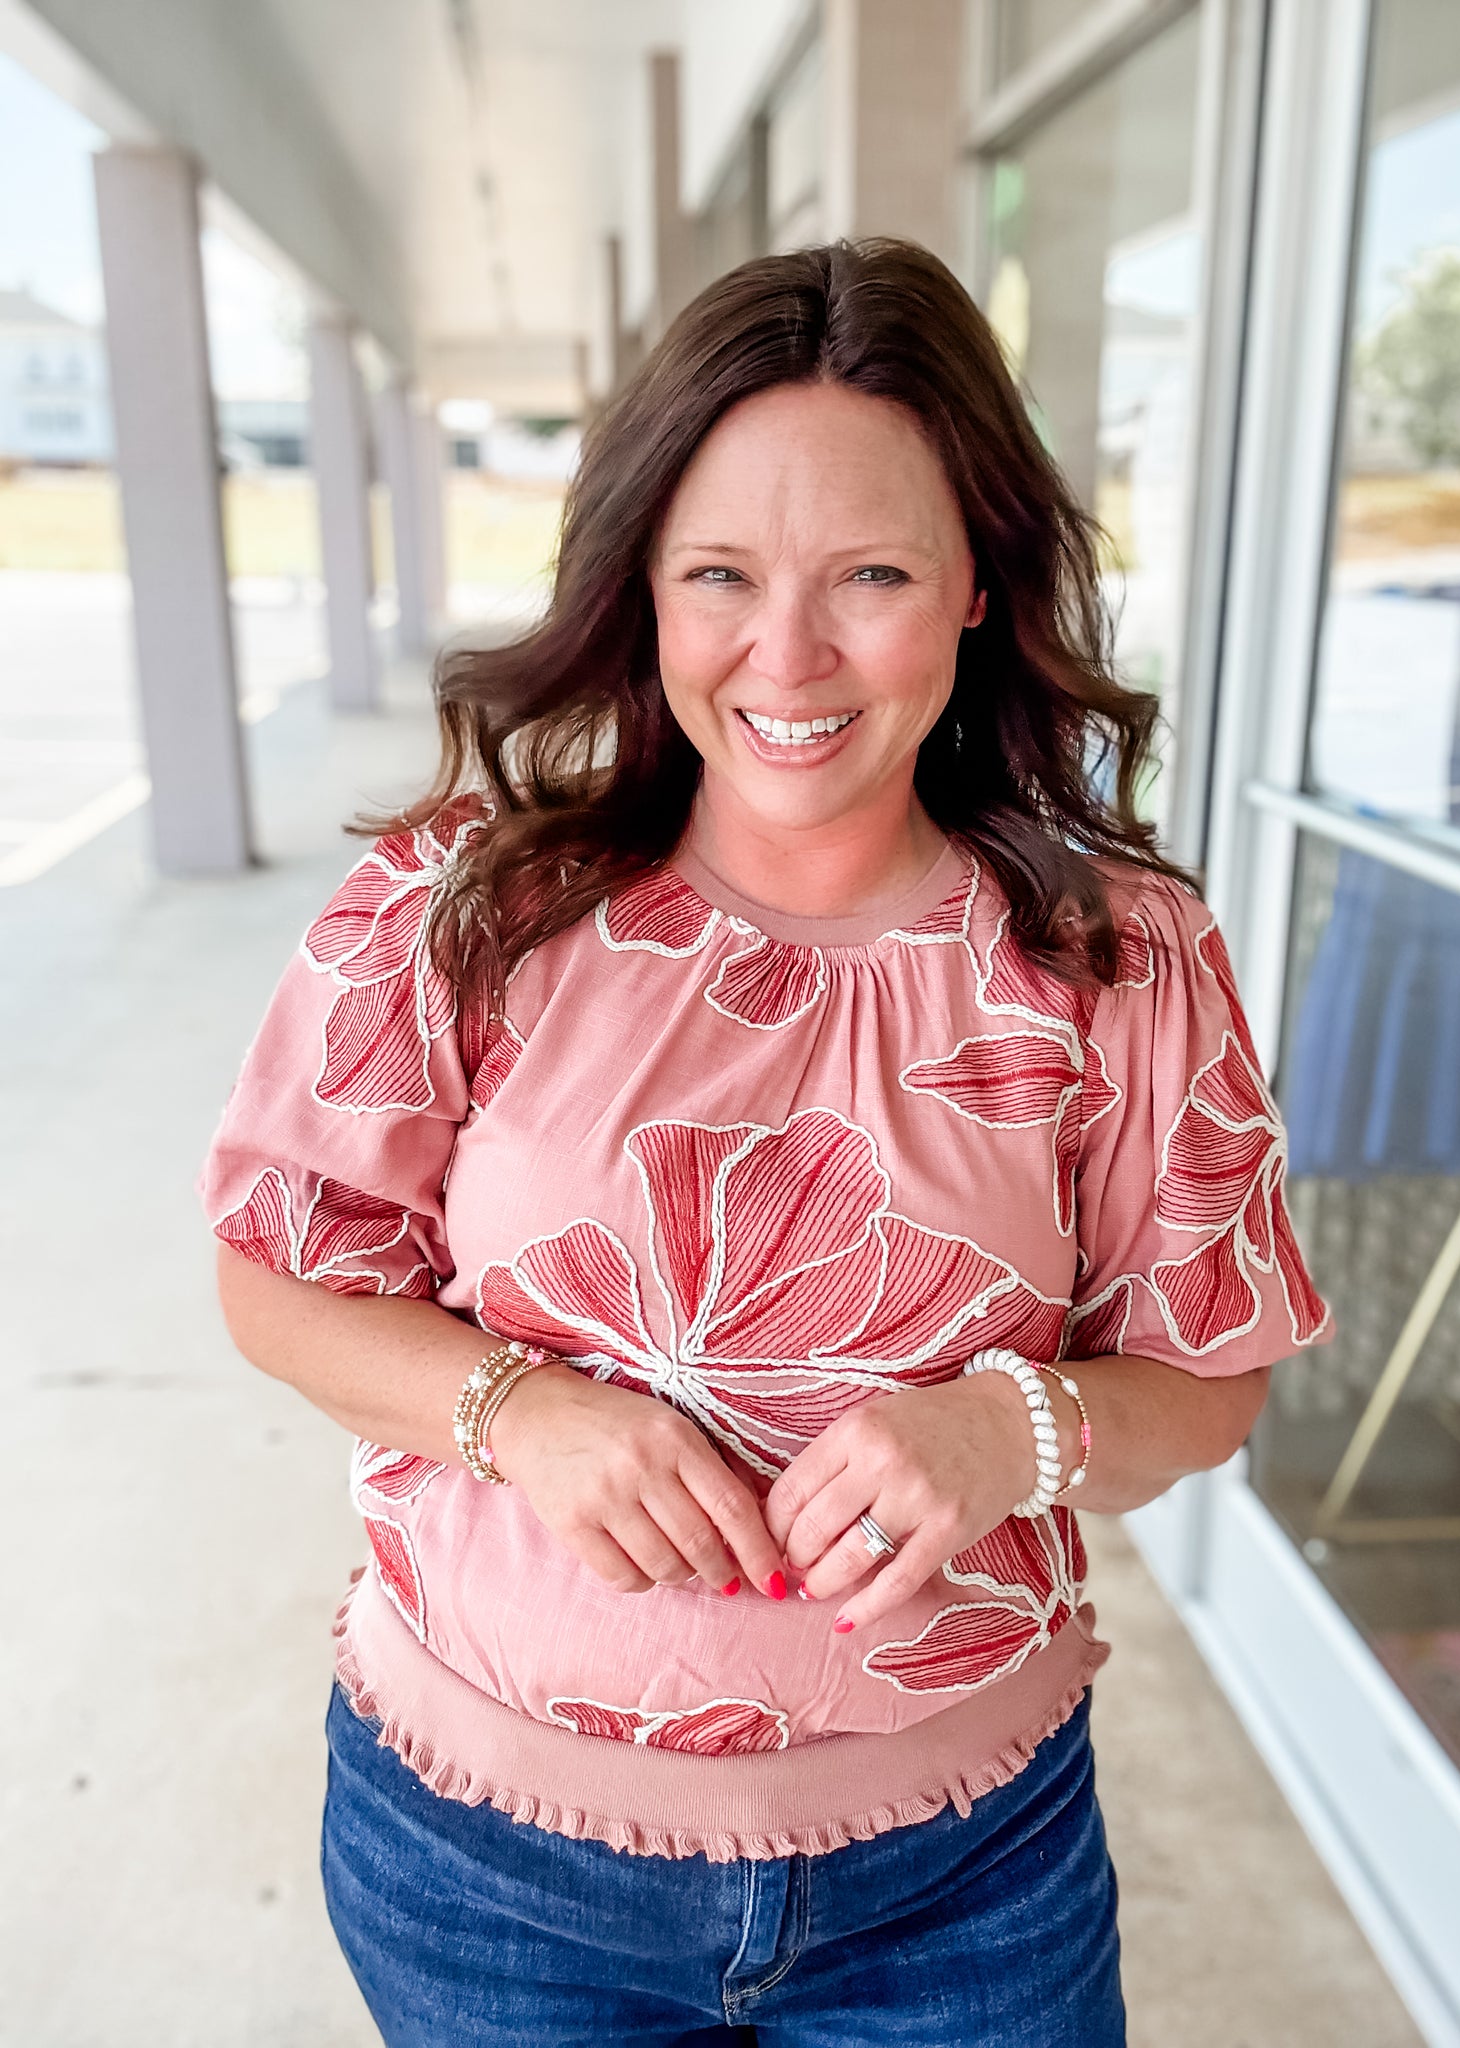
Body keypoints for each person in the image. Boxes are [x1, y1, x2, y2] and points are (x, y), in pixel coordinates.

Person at [202, 238, 1330, 2046]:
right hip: (492, 1875)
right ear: (641, 581)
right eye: (719, 573)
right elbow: (280, 1283)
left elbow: (1208, 1382)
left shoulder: (1119, 958)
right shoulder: (455, 905)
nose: (785, 656)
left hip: (965, 1878)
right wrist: (525, 1411)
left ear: (976, 584)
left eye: (869, 573)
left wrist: (1014, 1424)